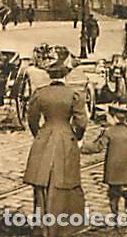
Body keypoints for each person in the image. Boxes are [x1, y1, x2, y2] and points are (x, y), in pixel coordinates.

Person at [23, 52, 88, 237]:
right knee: (64, 182)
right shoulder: (74, 94)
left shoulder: (40, 93)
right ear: (65, 75)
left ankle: (42, 228)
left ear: (50, 76)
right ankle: (63, 227)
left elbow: (32, 119)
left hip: (44, 137)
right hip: (66, 137)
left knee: (41, 182)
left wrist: (40, 134)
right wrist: (79, 137)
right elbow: (82, 122)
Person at [81, 103, 127, 234]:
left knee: (113, 198)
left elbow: (97, 147)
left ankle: (115, 223)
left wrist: (81, 146)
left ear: (113, 118)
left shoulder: (109, 132)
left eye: (108, 116)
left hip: (113, 176)